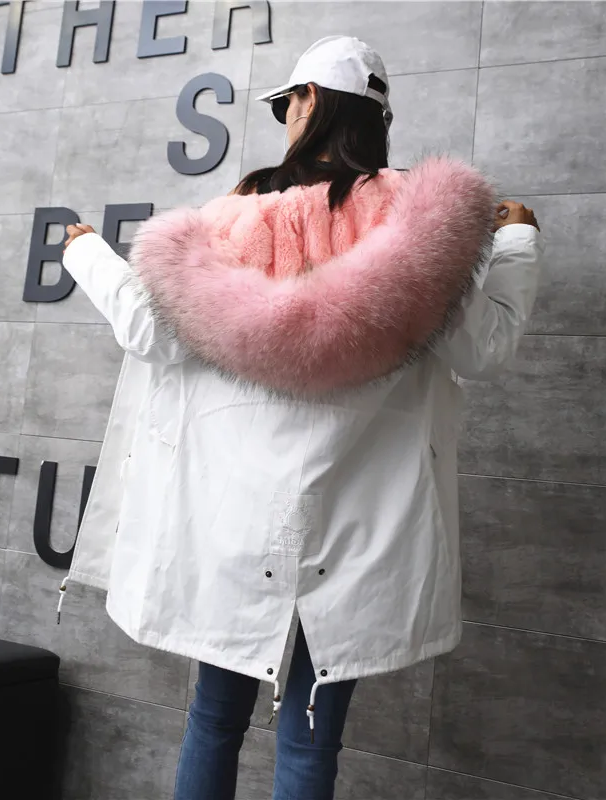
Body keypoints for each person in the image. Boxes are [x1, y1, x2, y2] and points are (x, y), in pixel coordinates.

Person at [60, 35, 543, 800]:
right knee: (310, 746)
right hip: (357, 538)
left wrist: (86, 251)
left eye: (287, 103)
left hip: (235, 530)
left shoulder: (234, 220)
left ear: (310, 101)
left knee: (213, 721)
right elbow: (483, 347)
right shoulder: (422, 233)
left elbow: (152, 331)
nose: (286, 117)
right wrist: (514, 239)